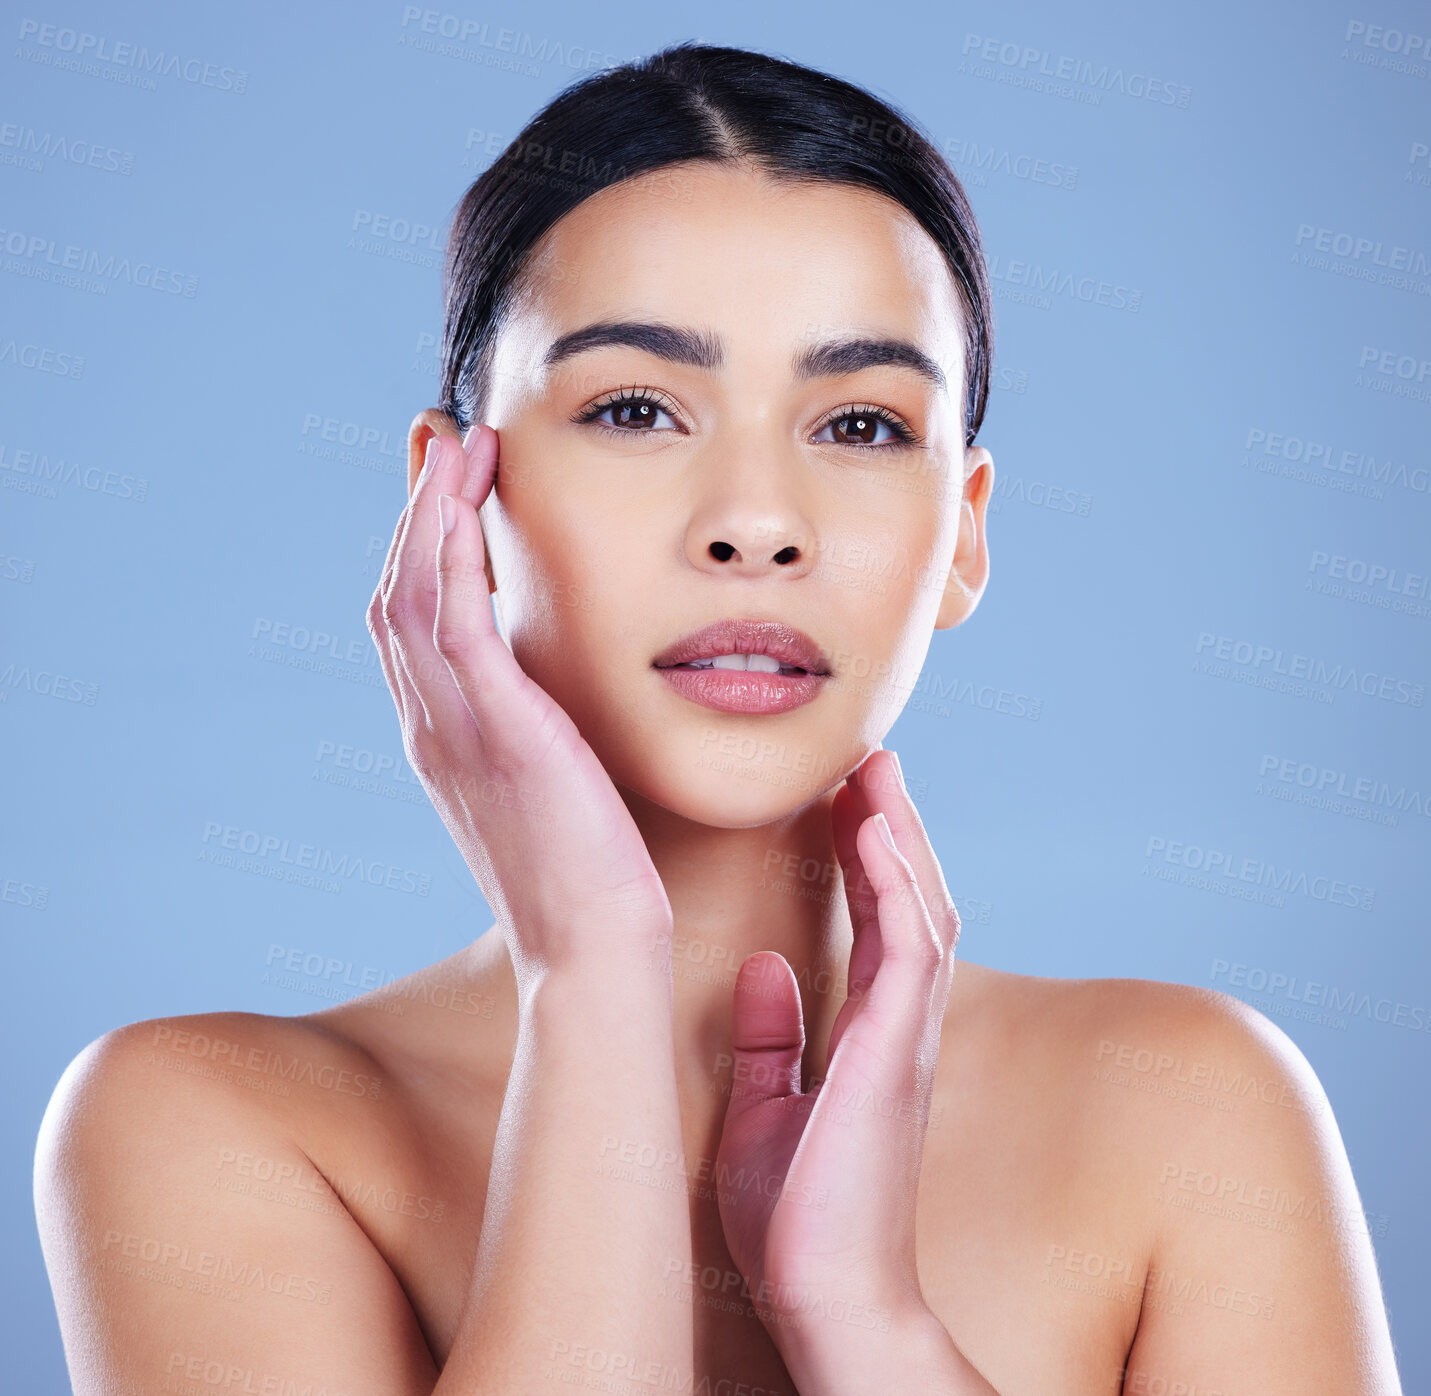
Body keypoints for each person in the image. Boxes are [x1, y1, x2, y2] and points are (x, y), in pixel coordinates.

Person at [34, 41, 1402, 1396]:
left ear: (966, 536)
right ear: (454, 504)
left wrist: (861, 1320)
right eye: (636, 408)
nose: (756, 524)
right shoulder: (203, 1123)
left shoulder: (1193, 1113)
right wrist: (593, 976)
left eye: (859, 426)